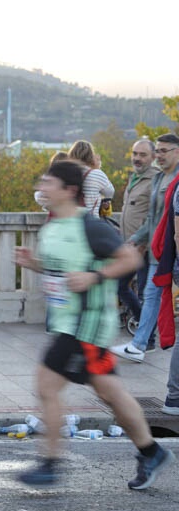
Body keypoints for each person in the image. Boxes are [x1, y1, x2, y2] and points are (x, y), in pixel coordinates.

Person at [13, 159, 173, 489]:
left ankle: (51, 464)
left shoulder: (92, 227)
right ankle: (151, 451)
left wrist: (94, 276)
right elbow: (62, 270)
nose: (42, 188)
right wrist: (36, 264)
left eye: (48, 183)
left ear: (69, 190)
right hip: (70, 324)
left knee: (46, 385)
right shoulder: (54, 226)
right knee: (111, 393)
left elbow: (131, 258)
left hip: (85, 325)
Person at [111, 133, 179, 364]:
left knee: (150, 295)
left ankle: (141, 344)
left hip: (173, 250)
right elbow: (153, 218)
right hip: (159, 249)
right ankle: (139, 345)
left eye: (163, 151)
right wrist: (135, 240)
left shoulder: (175, 179)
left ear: (177, 152)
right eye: (157, 151)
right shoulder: (159, 179)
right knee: (150, 295)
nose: (158, 155)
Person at [116, 139, 157, 322]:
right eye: (135, 154)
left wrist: (141, 241)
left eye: (142, 155)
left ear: (153, 157)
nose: (137, 158)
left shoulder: (155, 178)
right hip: (129, 246)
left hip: (145, 248)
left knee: (144, 292)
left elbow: (154, 216)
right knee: (119, 286)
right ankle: (141, 321)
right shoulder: (134, 177)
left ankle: (147, 338)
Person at [68, 140, 115, 215]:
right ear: (90, 155)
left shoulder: (66, 172)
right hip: (90, 222)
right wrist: (97, 168)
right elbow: (110, 192)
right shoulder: (96, 174)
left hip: (71, 221)